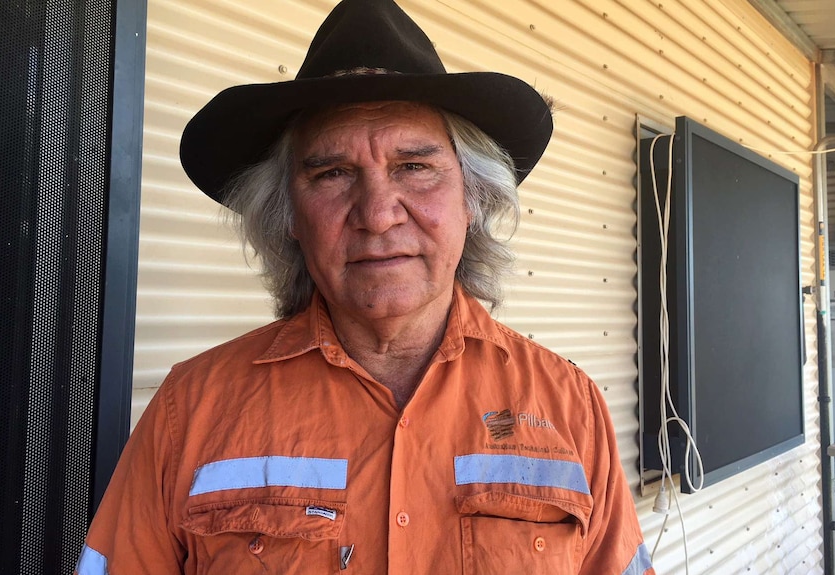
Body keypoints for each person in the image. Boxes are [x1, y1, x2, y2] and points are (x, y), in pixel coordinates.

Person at [76, 0, 654, 573]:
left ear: (472, 200)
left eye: (414, 167)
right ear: (288, 217)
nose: (377, 214)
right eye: (332, 174)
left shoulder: (570, 407)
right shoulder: (190, 410)